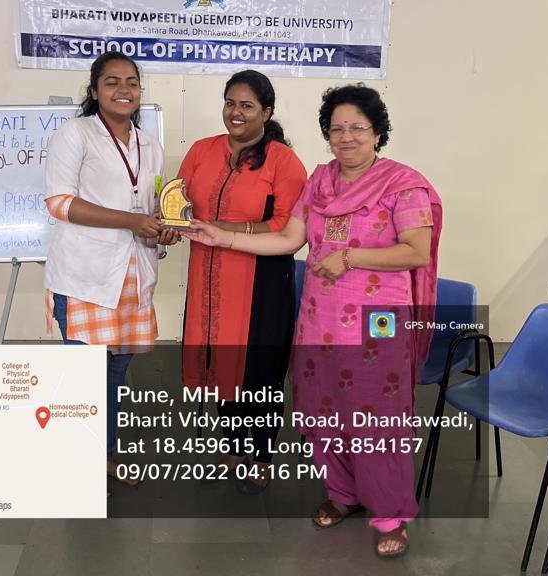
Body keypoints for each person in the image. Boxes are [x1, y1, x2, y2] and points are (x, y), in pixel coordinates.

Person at [183, 84, 442, 557]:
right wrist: (222, 238)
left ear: (378, 132)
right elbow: (288, 239)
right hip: (319, 320)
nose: (346, 137)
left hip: (377, 326)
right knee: (325, 411)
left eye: (358, 128)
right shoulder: (321, 182)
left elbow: (416, 251)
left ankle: (390, 515)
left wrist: (350, 257)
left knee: (375, 418)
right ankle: (343, 494)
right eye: (337, 128)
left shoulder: (402, 184)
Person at [42, 51, 178, 489]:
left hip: (132, 277)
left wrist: (163, 228)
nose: (124, 89)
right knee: (84, 376)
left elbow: (152, 205)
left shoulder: (150, 146)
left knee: (115, 373)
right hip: (84, 277)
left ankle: (103, 455)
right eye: (112, 82)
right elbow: (60, 203)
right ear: (95, 90)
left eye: (132, 82)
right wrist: (131, 221)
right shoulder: (76, 134)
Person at [177, 70, 307, 494]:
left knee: (260, 374)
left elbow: (286, 225)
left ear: (266, 112)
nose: (236, 112)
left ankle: (262, 458)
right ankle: (233, 451)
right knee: (222, 365)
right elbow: (178, 204)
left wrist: (223, 228)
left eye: (247, 105)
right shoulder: (202, 150)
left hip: (261, 281)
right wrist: (167, 223)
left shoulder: (283, 162)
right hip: (209, 277)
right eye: (230, 103)